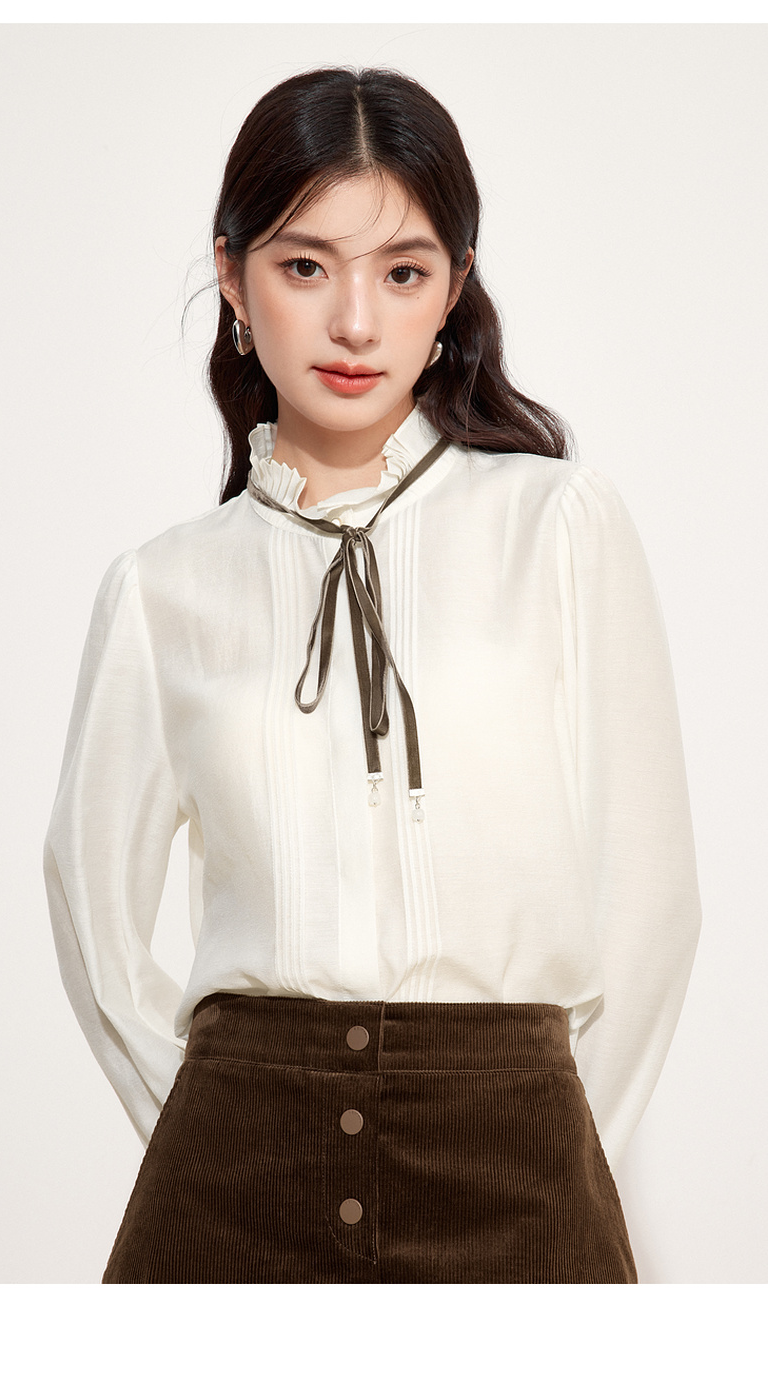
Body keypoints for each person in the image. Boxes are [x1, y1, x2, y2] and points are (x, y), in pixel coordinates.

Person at [43, 67, 701, 1284]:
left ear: (453, 289)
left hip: (518, 1162)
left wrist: (558, 1150)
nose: (355, 323)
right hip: (231, 1181)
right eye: (306, 266)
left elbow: (649, 893)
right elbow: (89, 902)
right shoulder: (161, 589)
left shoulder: (557, 526)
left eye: (402, 272)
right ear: (233, 278)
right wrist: (207, 1121)